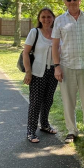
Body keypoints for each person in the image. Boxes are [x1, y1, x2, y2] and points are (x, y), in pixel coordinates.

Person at [52, 0, 84, 144]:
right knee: (68, 101)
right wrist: (57, 66)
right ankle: (71, 131)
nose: (72, 2)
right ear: (64, 1)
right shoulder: (59, 21)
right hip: (67, 66)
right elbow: (55, 45)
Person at [23, 7, 58, 143]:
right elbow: (25, 52)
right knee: (36, 102)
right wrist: (28, 72)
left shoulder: (56, 32)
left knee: (48, 100)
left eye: (49, 17)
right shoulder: (35, 32)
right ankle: (31, 131)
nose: (46, 19)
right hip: (37, 73)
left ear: (53, 18)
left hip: (52, 72)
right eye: (43, 17)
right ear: (39, 19)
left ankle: (44, 125)